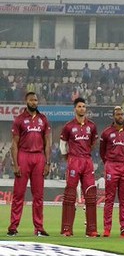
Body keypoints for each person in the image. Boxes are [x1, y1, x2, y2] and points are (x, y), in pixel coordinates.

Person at [7, 92, 51, 237]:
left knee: (38, 195)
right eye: (31, 100)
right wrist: (15, 164)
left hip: (39, 157)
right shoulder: (19, 119)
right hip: (23, 156)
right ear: (26, 101)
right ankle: (13, 227)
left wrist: (47, 162)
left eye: (36, 100)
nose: (34, 102)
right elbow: (14, 143)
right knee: (19, 194)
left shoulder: (43, 119)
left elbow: (48, 142)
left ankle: (39, 227)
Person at [60, 97, 99, 237]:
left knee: (91, 195)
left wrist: (85, 153)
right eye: (79, 106)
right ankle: (66, 229)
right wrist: (68, 158)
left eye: (84, 106)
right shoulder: (69, 126)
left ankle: (91, 230)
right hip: (74, 161)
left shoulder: (92, 126)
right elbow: (62, 144)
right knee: (70, 195)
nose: (82, 108)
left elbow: (93, 142)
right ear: (75, 109)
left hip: (87, 161)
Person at [99, 106, 124, 238]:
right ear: (113, 116)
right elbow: (102, 151)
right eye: (118, 114)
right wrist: (108, 162)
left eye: (122, 114)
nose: (120, 116)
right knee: (109, 198)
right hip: (111, 166)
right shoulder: (106, 132)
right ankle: (107, 228)